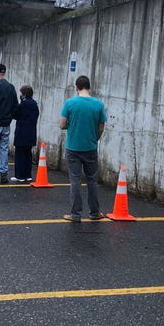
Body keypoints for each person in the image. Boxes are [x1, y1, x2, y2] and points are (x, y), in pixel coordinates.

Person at [59, 75, 107, 222]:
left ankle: (75, 214)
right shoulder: (98, 104)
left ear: (76, 87)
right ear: (89, 86)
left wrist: (71, 125)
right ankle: (94, 212)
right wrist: (95, 138)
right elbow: (101, 127)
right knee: (92, 180)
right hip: (90, 147)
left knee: (75, 180)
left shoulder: (70, 103)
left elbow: (62, 125)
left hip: (73, 147)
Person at [11, 85, 39, 182]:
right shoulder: (35, 104)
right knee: (28, 154)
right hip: (31, 133)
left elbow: (15, 115)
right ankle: (28, 175)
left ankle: (19, 176)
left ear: (23, 94)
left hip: (21, 132)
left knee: (19, 154)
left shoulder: (23, 104)